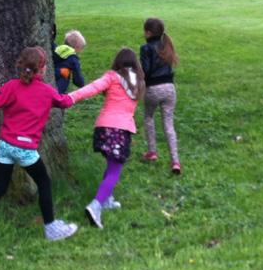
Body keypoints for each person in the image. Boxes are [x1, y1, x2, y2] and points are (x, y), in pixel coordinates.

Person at [0, 46, 78, 243]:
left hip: (4, 146)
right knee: (44, 182)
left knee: (0, 186)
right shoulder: (47, 91)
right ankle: (51, 228)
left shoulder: (11, 87)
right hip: (25, 150)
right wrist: (79, 94)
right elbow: (65, 102)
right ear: (42, 68)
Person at [69, 48, 145, 229]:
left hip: (104, 129)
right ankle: (96, 206)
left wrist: (70, 97)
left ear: (118, 62)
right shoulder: (139, 84)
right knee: (114, 171)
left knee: (111, 164)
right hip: (120, 130)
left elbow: (93, 88)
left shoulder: (112, 77)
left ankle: (107, 199)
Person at [139, 18, 180, 174]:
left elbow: (147, 70)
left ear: (148, 32)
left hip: (153, 89)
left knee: (149, 117)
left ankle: (152, 151)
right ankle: (175, 161)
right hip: (170, 89)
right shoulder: (167, 46)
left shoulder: (146, 48)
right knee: (168, 124)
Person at [53, 29, 86, 94]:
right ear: (77, 47)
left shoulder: (57, 50)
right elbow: (77, 76)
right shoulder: (73, 58)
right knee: (66, 73)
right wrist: (82, 85)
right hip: (59, 85)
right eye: (81, 49)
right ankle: (58, 96)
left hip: (52, 75)